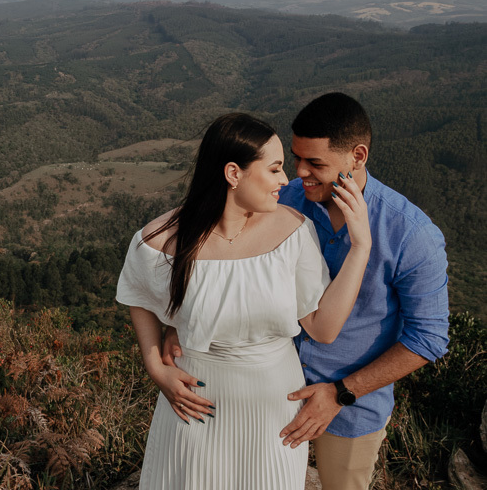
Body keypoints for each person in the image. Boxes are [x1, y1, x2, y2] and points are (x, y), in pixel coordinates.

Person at [162, 93, 450, 490]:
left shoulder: (411, 235)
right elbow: (230, 264)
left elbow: (428, 339)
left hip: (351, 409)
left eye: (315, 163)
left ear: (358, 156)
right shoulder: (283, 201)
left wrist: (341, 393)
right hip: (269, 394)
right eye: (295, 158)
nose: (299, 173)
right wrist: (184, 319)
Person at [117, 112, 372, 489]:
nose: (286, 180)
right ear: (233, 174)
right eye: (274, 169)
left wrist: (360, 247)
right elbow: (136, 294)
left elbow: (323, 328)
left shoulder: (294, 231)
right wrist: (155, 366)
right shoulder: (159, 241)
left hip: (274, 407)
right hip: (194, 403)